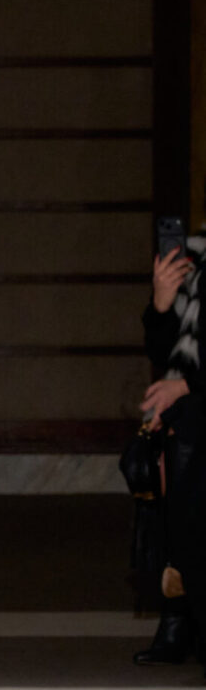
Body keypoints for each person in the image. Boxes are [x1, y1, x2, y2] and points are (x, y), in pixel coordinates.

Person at [135, 239, 206, 666]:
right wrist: (162, 303)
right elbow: (165, 352)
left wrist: (186, 386)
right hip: (192, 417)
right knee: (182, 519)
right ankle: (180, 616)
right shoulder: (196, 253)